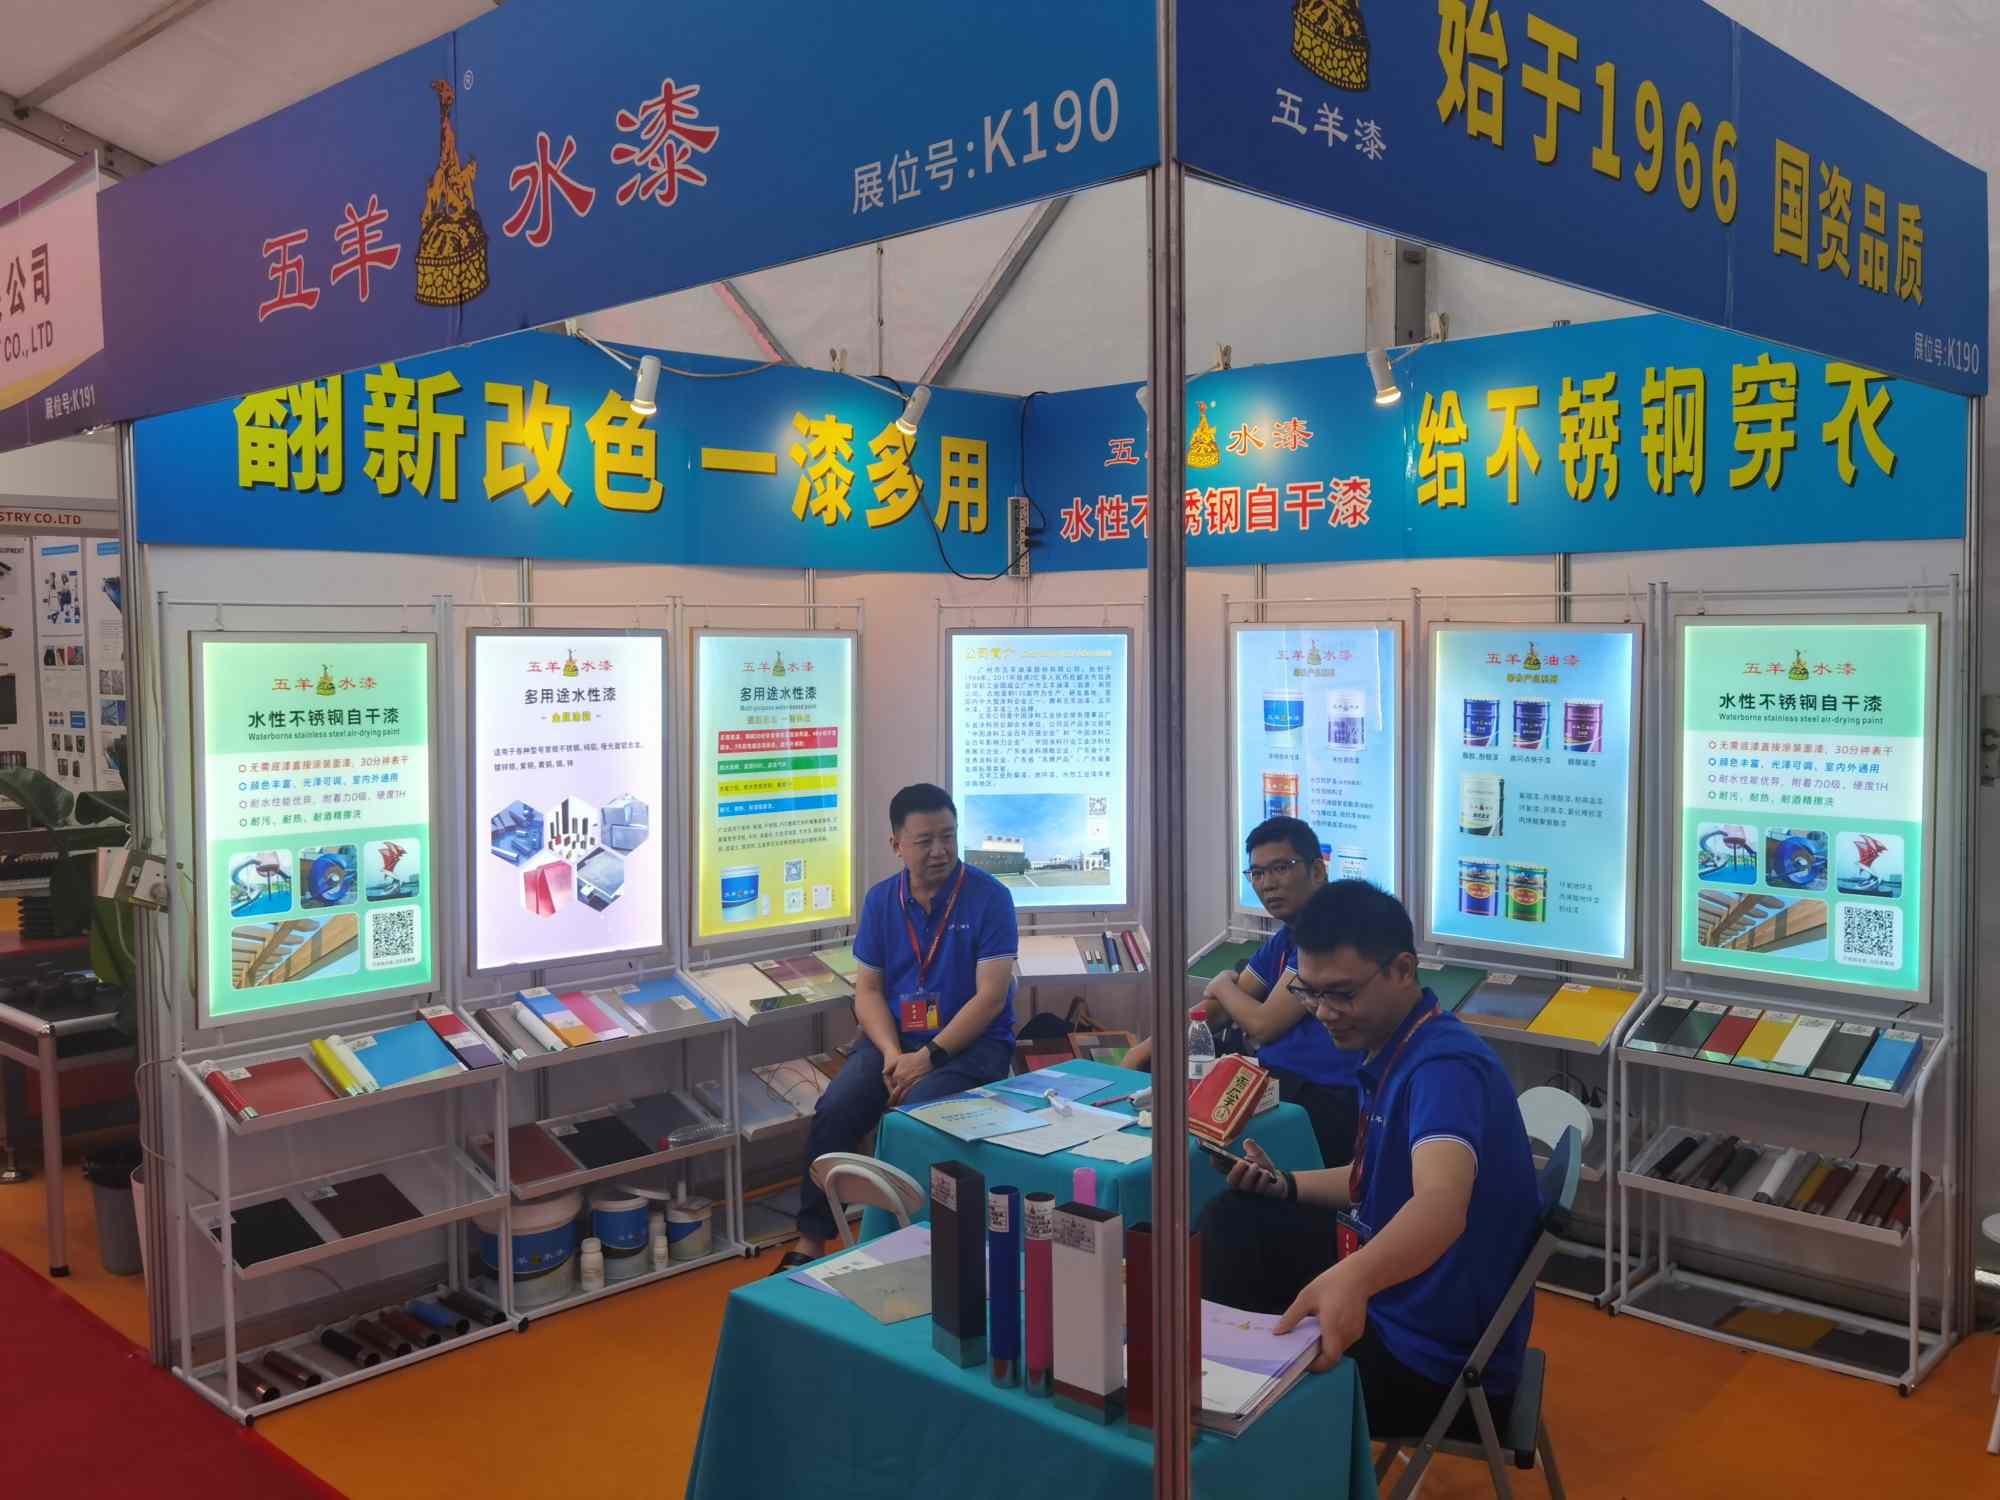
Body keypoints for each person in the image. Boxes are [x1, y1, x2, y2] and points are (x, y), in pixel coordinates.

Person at [1201, 880, 1541, 1440]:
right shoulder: (1395, 1046)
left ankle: (1232, 1417)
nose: (1324, 1013)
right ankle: (1228, 1392)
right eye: (1310, 994)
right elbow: (1375, 1180)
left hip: (1432, 1359)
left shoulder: (1443, 1069)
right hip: (1405, 1298)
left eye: (1342, 994)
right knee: (1237, 1217)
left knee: (1238, 1263)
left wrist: (1353, 1279)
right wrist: (1284, 1184)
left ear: (1403, 969)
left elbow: (1440, 1204)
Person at [776, 783, 1018, 1271]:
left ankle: (899, 1247)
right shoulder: (882, 901)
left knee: (913, 1115)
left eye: (948, 836)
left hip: (970, 1047)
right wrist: (891, 1054)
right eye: (925, 840)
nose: (940, 850)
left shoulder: (990, 898)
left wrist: (926, 1058)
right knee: (836, 1108)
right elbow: (867, 991)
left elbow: (991, 997)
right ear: (896, 845)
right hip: (896, 1042)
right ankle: (811, 1239)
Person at [1196, 816, 1361, 1167]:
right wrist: (1142, 1053)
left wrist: (1222, 984)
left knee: (1196, 1153)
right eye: (1257, 874)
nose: (1268, 884)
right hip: (1274, 1084)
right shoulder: (1288, 934)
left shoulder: (1333, 929)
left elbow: (1262, 1025)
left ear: (1318, 870)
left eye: (1281, 868)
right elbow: (1219, 1009)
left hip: (1320, 1099)